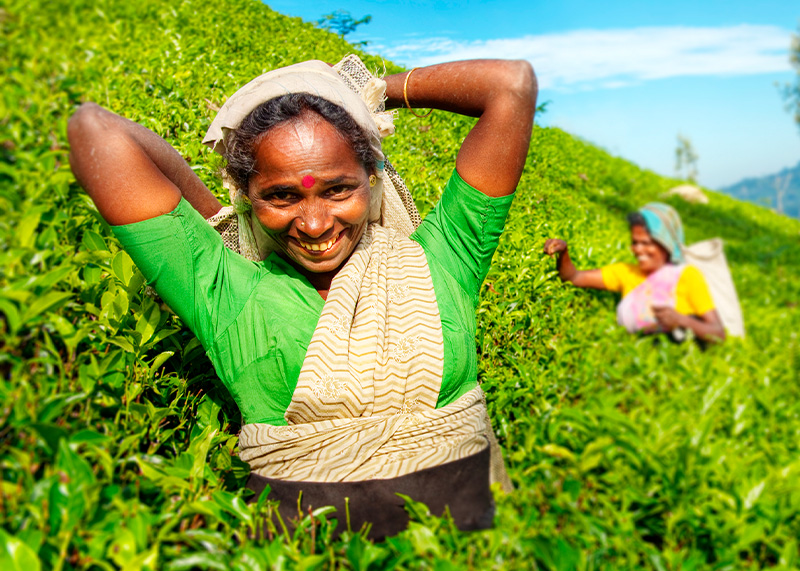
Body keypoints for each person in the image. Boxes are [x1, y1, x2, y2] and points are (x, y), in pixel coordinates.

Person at [67, 55, 538, 538]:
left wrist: (364, 91)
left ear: (372, 178)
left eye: (338, 189)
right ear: (246, 195)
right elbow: (93, 130)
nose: (315, 225)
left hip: (472, 569)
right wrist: (218, 223)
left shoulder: (445, 258)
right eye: (282, 196)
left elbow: (511, 84)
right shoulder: (228, 293)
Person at [543, 203, 726, 343]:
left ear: (666, 243)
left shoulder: (687, 276)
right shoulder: (626, 272)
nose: (638, 250)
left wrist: (681, 320)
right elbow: (574, 277)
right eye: (635, 242)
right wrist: (564, 252)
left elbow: (718, 333)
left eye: (646, 243)